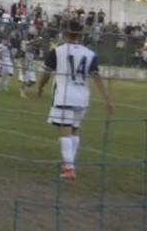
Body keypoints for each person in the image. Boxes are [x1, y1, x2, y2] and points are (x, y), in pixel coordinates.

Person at [37, 20, 113, 180]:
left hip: (65, 95)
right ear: (81, 34)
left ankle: (69, 167)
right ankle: (69, 164)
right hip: (82, 97)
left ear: (64, 33)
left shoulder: (57, 51)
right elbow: (97, 77)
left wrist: (41, 87)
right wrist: (107, 99)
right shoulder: (89, 53)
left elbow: (47, 73)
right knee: (74, 130)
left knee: (65, 132)